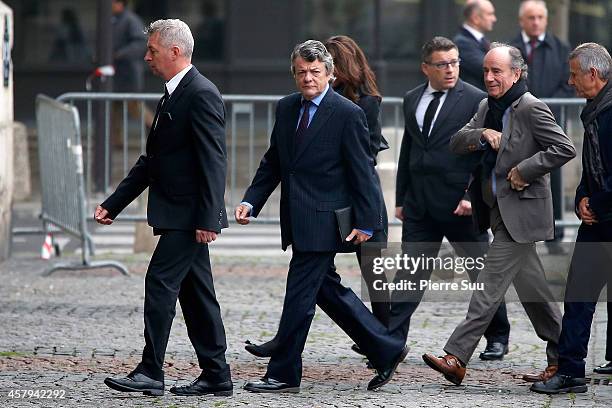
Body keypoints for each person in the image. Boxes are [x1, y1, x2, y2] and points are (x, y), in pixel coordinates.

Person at [235, 40, 408, 393]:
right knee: (326, 291)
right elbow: (273, 162)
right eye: (301, 72)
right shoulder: (285, 108)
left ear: (329, 73)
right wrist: (252, 201)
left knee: (299, 296)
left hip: (325, 221)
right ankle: (387, 347)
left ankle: (283, 373)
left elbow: (362, 173)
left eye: (315, 72)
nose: (308, 78)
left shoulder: (347, 113)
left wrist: (366, 221)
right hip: (297, 218)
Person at [421, 43, 576, 386]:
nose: (489, 77)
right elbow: (458, 142)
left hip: (523, 213)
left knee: (489, 285)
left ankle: (456, 356)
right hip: (495, 211)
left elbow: (564, 148)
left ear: (516, 73)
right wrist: (483, 133)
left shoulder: (532, 108)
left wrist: (525, 169)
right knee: (535, 294)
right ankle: (566, 356)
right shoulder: (486, 106)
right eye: (486, 71)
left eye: (497, 71)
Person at [97, 19, 232, 397]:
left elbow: (214, 161)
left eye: (152, 51)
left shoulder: (201, 93)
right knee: (197, 295)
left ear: (175, 51)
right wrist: (114, 203)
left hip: (189, 216)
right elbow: (152, 161)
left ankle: (151, 371)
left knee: (160, 283)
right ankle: (217, 375)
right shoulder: (172, 94)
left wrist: (209, 218)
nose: (146, 57)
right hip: (179, 213)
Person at [392, 36, 510, 361]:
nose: (450, 69)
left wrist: (473, 197)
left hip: (461, 205)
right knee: (409, 272)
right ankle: (390, 340)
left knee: (480, 273)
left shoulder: (477, 99)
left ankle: (498, 335)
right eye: (442, 64)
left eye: (455, 62)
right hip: (420, 204)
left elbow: (486, 155)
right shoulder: (411, 98)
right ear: (425, 67)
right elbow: (410, 149)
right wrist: (401, 197)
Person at [531, 42, 612, 394]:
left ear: (593, 74)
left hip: (605, 214)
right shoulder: (596, 108)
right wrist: (581, 197)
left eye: (575, 74)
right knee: (579, 294)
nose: (570, 81)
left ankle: (571, 370)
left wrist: (596, 201)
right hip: (598, 217)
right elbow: (592, 166)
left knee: (580, 295)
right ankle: (571, 370)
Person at [508, 0, 574, 254]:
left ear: (545, 20)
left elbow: (567, 85)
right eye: (530, 18)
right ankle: (519, 236)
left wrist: (545, 112)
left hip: (549, 124)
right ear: (521, 20)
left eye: (539, 17)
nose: (535, 22)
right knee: (516, 174)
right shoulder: (510, 48)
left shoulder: (560, 48)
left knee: (551, 178)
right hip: (518, 123)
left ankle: (554, 237)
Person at [111, 0, 153, 141]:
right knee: (113, 107)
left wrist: (120, 54)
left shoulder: (130, 20)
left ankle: (156, 127)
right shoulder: (114, 20)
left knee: (135, 106)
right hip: (116, 73)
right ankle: (115, 140)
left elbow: (140, 43)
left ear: (121, 3)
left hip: (128, 73)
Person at [453, 0, 497, 91]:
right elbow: (487, 68)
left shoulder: (481, 41)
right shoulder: (462, 43)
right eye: (490, 14)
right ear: (475, 18)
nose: (494, 19)